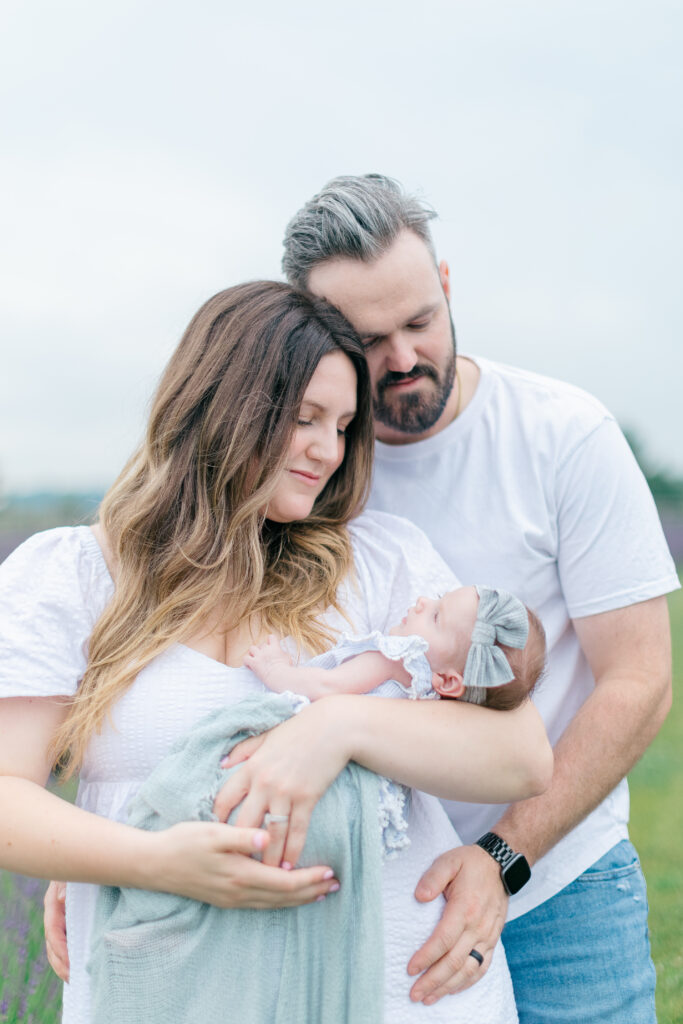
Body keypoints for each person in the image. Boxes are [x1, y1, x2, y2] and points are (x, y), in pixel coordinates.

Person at [2, 280, 552, 1023]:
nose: (328, 451)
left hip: (404, 994)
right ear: (219, 405)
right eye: (304, 419)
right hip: (173, 989)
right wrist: (152, 861)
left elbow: (520, 756)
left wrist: (337, 727)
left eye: (344, 426)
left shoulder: (382, 563)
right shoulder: (71, 574)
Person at [278, 174, 680, 1023]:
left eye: (420, 321)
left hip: (560, 881)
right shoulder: (298, 466)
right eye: (366, 339)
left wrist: (503, 856)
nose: (401, 359)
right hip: (360, 888)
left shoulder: (563, 436)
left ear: (448, 286)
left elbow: (639, 682)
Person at [245, 584, 546, 711]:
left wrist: (276, 669)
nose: (422, 602)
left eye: (436, 616)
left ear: (448, 680)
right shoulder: (427, 706)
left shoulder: (397, 662)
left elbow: (327, 685)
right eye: (439, 597)